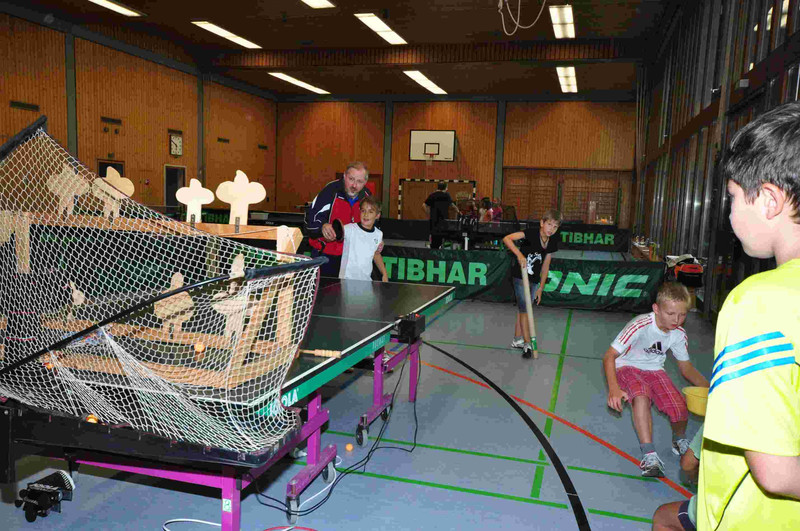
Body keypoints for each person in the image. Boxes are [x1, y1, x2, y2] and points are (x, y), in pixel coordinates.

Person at [696, 102, 800, 529]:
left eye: (733, 197)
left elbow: (775, 472)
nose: (729, 212)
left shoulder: (759, 303)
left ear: (770, 200)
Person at [603, 282, 709, 477]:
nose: (677, 320)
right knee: (641, 395)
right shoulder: (640, 325)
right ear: (656, 309)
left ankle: (679, 439)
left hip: (654, 370)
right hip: (627, 366)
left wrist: (711, 389)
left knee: (679, 406)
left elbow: (686, 368)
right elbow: (609, 356)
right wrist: (613, 389)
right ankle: (649, 455)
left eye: (682, 315)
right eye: (671, 314)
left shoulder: (679, 334)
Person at [502, 209, 562, 359]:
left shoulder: (552, 240)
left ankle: (517, 340)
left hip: (534, 279)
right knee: (525, 310)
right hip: (520, 276)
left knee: (523, 309)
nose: (551, 229)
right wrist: (519, 255)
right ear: (542, 223)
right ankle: (527, 344)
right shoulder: (530, 233)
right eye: (549, 224)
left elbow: (546, 265)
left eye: (555, 227)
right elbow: (507, 239)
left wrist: (541, 287)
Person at [305, 162, 371, 276]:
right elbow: (310, 221)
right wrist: (322, 227)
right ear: (344, 176)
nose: (354, 185)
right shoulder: (330, 191)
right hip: (326, 256)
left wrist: (377, 242)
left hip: (354, 258)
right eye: (351, 179)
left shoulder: (367, 197)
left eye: (359, 181)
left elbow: (373, 226)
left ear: (365, 182)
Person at [652, 424, 704, 531]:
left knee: (662, 517)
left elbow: (688, 465)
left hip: (720, 512)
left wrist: (696, 480)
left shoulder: (715, 421)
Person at [339, 195, 388, 282]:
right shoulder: (349, 229)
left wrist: (384, 273)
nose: (366, 215)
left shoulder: (378, 234)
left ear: (377, 215)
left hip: (366, 281)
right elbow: (333, 234)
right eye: (363, 211)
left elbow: (376, 254)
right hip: (346, 280)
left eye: (370, 212)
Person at [423, 181, 459, 249]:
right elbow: (452, 205)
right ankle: (442, 248)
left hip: (434, 220)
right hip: (443, 220)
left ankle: (433, 249)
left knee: (434, 239)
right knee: (444, 237)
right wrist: (458, 211)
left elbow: (424, 205)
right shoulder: (446, 195)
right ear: (445, 188)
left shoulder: (432, 195)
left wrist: (429, 213)